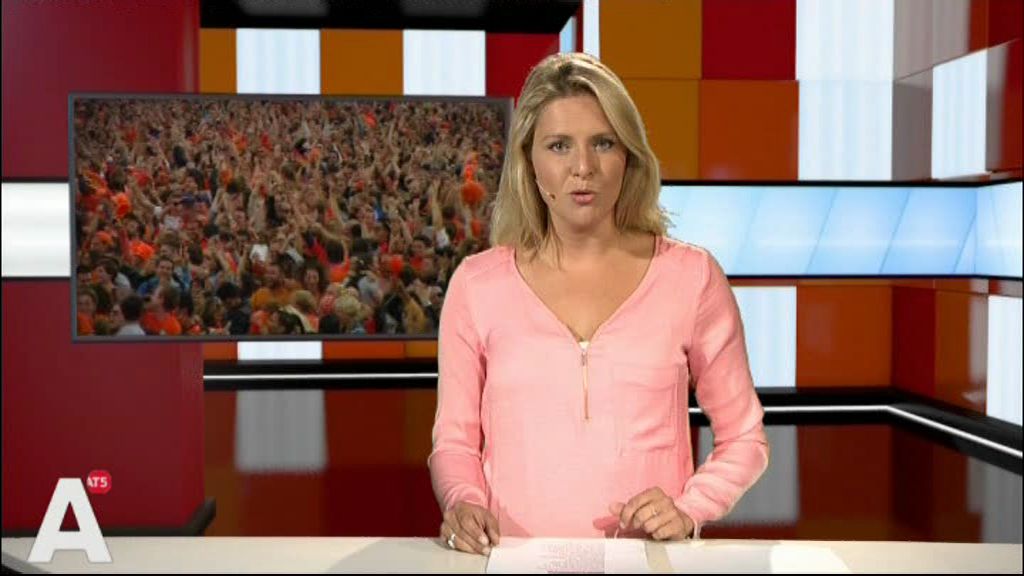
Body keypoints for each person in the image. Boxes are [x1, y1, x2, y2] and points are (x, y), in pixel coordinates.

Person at [428, 52, 769, 555]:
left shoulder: (692, 278)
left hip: (651, 562)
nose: (583, 167)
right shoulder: (476, 286)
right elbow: (455, 444)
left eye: (603, 143)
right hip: (513, 562)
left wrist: (690, 507)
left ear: (628, 155)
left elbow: (745, 438)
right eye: (559, 146)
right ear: (529, 161)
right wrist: (463, 501)